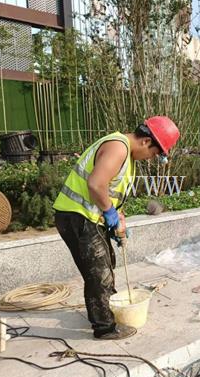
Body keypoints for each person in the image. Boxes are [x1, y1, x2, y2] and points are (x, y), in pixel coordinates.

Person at [53, 116, 180, 340]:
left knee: (105, 264)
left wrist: (117, 219)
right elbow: (95, 184)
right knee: (99, 272)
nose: (151, 159)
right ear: (145, 141)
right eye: (154, 153)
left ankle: (105, 310)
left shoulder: (126, 157)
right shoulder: (118, 147)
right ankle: (104, 328)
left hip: (87, 217)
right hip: (77, 216)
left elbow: (108, 194)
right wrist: (109, 213)